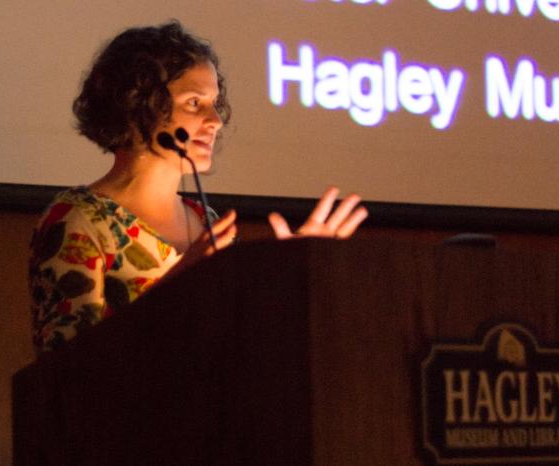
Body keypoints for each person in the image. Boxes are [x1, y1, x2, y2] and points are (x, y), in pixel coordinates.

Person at [28, 21, 368, 353]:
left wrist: (288, 274)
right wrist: (176, 281)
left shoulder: (206, 220)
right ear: (136, 104)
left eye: (214, 105)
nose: (216, 122)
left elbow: (239, 344)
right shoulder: (78, 220)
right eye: (194, 103)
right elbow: (65, 366)